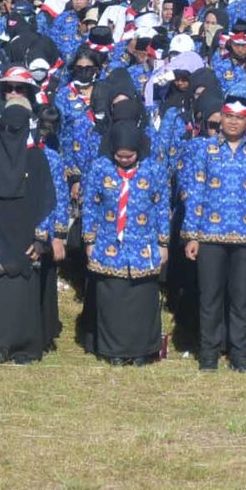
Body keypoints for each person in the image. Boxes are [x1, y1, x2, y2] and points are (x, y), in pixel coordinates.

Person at [180, 95, 246, 372]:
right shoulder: (205, 151)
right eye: (229, 116)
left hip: (245, 237)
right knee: (210, 298)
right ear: (222, 117)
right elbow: (195, 194)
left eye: (239, 118)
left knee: (241, 298)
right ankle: (209, 354)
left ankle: (239, 354)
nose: (233, 122)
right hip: (209, 235)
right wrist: (192, 235)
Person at [0, 103, 56, 363]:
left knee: (20, 297)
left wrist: (40, 239)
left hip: (24, 236)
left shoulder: (37, 159)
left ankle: (21, 348)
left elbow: (47, 200)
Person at [82, 120, 168, 364]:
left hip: (143, 243)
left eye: (129, 156)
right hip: (109, 244)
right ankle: (114, 351)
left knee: (141, 300)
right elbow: (90, 204)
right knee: (112, 300)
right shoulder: (100, 168)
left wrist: (163, 243)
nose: (124, 160)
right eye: (120, 156)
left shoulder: (153, 170)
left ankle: (142, 351)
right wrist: (89, 239)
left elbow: (161, 207)